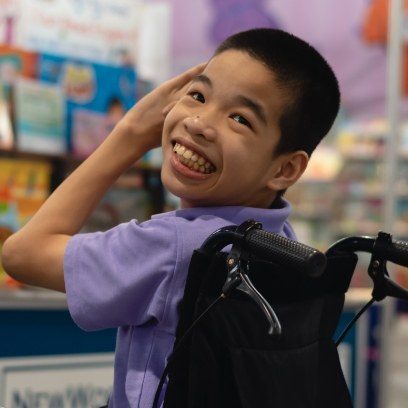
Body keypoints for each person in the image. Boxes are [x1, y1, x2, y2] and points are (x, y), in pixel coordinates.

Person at [2, 28, 340, 407]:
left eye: (240, 119)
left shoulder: (175, 246)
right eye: (198, 95)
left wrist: (129, 134)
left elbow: (21, 254)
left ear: (286, 168)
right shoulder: (282, 240)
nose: (199, 123)